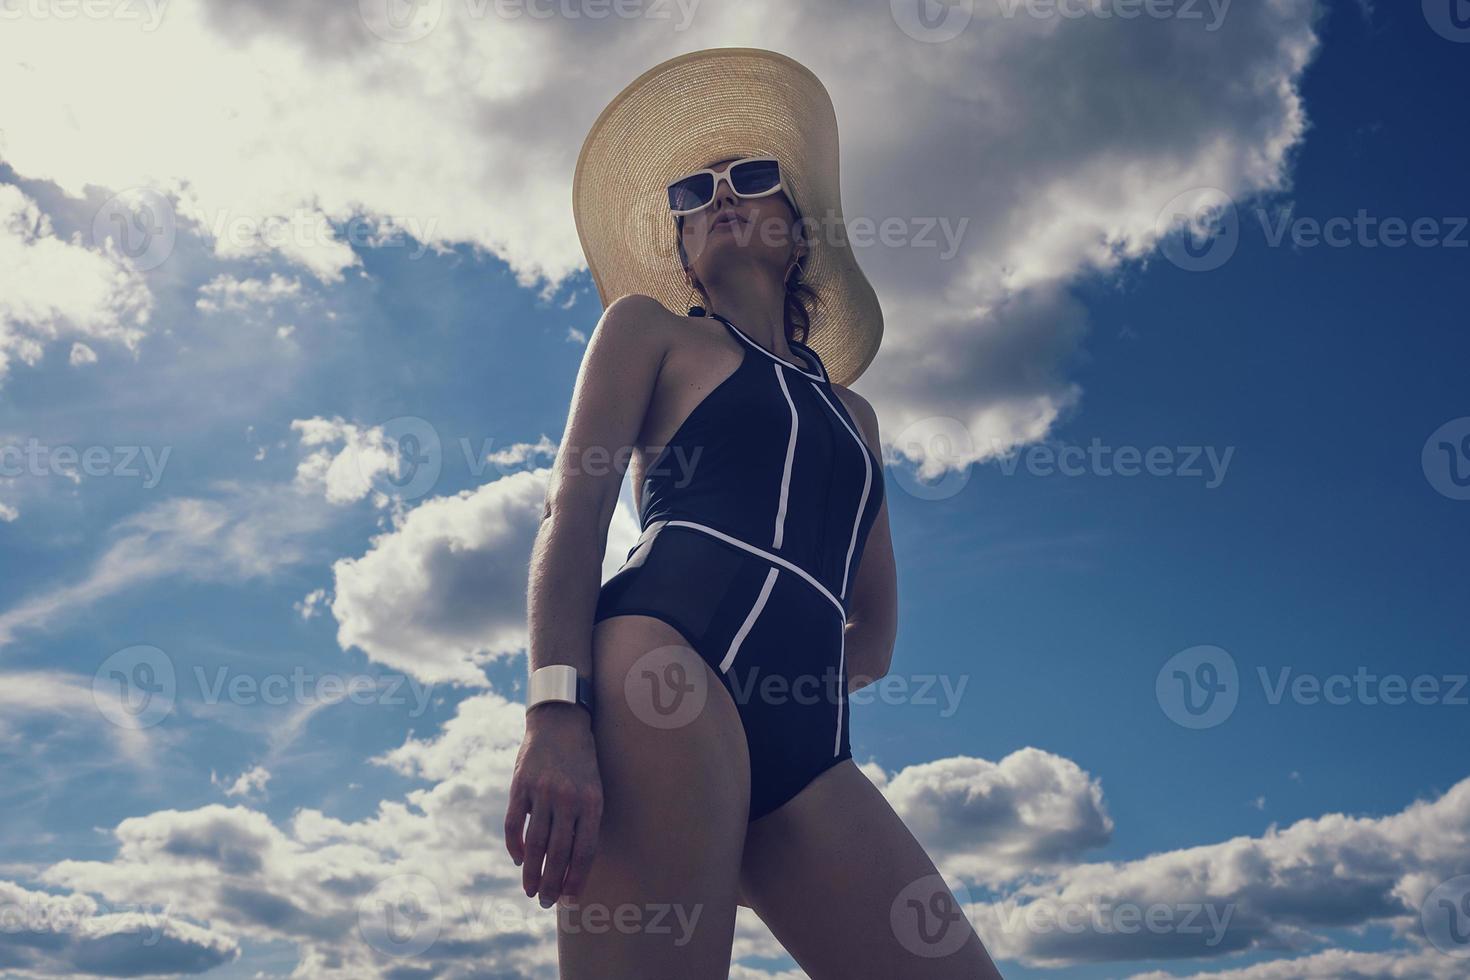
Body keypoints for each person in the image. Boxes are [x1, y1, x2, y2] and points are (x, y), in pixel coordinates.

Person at [505, 47, 1005, 979]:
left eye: (753, 178)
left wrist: (772, 709)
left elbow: (878, 623)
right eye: (695, 191)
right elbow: (568, 518)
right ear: (684, 245)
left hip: (808, 746)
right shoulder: (648, 331)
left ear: (798, 229)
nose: (722, 196)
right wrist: (557, 716)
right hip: (662, 664)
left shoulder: (859, 417)